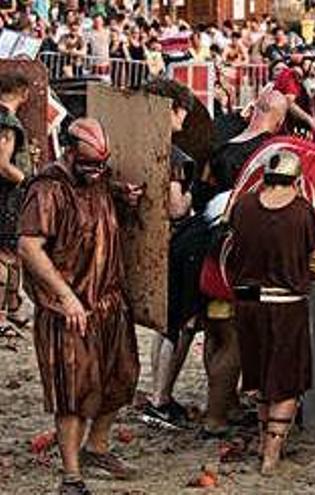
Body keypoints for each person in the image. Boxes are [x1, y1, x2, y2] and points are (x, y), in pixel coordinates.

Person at [18, 118, 143, 495]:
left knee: (121, 379)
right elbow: (29, 247)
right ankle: (72, 475)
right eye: (89, 165)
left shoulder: (100, 180)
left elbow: (102, 204)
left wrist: (126, 196)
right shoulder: (47, 189)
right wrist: (65, 296)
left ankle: (97, 447)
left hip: (109, 301)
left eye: (101, 166)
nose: (96, 173)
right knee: (72, 392)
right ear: (70, 153)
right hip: (68, 309)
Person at [227, 150, 315, 475]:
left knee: (258, 375)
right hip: (285, 303)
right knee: (286, 380)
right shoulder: (302, 212)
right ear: (296, 180)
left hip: (246, 302)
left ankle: (262, 440)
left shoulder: (243, 206)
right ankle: (272, 452)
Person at [199, 89, 289, 434]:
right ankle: (215, 415)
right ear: (278, 119)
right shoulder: (271, 152)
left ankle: (225, 403)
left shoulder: (222, 137)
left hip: (210, 251)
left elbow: (203, 190)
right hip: (241, 260)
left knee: (216, 331)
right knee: (234, 336)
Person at [139, 79, 200, 430]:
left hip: (149, 241)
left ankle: (157, 394)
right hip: (175, 242)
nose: (185, 120)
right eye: (182, 112)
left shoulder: (138, 144)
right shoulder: (173, 155)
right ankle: (161, 399)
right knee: (179, 324)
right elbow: (176, 208)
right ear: (172, 108)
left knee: (164, 324)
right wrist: (196, 197)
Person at [0, 73, 32, 333]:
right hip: (6, 196)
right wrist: (26, 181)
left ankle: (11, 307)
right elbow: (2, 164)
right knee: (5, 257)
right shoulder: (8, 122)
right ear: (23, 93)